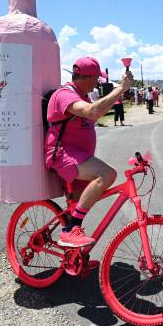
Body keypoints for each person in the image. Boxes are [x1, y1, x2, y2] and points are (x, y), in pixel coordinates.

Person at [45, 56, 133, 247]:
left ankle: (73, 257)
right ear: (87, 77)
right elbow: (92, 112)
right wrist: (120, 89)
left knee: (77, 208)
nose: (97, 83)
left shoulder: (84, 96)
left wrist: (118, 94)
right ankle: (70, 229)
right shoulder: (64, 95)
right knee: (107, 174)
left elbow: (98, 110)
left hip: (78, 157)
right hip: (62, 155)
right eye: (96, 79)